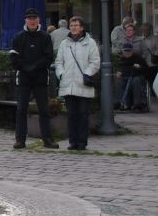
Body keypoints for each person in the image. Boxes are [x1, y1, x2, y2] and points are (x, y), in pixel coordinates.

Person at [11, 8, 58, 149]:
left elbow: (49, 57)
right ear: (25, 20)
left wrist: (35, 67)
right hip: (24, 79)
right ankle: (20, 140)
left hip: (40, 79)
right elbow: (14, 57)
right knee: (21, 110)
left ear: (38, 20)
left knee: (44, 110)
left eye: (34, 18)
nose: (32, 21)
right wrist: (26, 68)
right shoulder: (18, 37)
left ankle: (47, 139)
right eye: (29, 18)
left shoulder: (45, 37)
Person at [54, 16, 100, 151]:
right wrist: (61, 73)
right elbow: (59, 61)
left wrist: (87, 73)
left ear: (82, 27)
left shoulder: (90, 43)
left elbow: (95, 62)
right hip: (68, 84)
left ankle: (82, 142)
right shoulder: (64, 43)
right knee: (72, 115)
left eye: (76, 25)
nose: (73, 27)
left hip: (83, 83)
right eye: (72, 25)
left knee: (83, 114)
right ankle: (72, 141)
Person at [116, 43, 149, 111]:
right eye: (126, 51)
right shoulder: (121, 59)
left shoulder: (138, 58)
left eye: (129, 51)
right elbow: (119, 69)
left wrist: (139, 67)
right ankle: (123, 103)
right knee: (119, 82)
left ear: (132, 51)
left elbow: (146, 69)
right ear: (123, 51)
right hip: (125, 77)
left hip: (137, 76)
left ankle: (137, 104)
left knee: (135, 81)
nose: (127, 52)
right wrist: (118, 72)